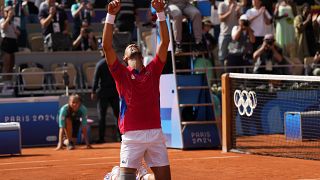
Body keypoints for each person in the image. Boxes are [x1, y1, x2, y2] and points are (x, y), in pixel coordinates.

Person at [103, 0, 171, 179]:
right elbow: (107, 47)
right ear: (125, 58)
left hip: (155, 133)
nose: (133, 45)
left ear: (141, 54)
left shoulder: (153, 70)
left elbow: (165, 43)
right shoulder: (121, 73)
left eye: (135, 46)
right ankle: (116, 175)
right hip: (132, 136)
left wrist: (160, 13)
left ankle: (143, 177)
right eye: (128, 47)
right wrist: (111, 15)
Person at [91, 49, 120, 143]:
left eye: (101, 51)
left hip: (103, 93)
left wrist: (93, 91)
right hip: (114, 92)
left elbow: (95, 79)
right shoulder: (115, 63)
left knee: (101, 116)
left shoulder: (100, 64)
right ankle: (121, 137)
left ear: (104, 52)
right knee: (118, 115)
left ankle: (101, 138)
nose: (100, 52)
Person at [0, 6, 19, 84]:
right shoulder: (2, 20)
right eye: (8, 11)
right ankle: (4, 82)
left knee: (12, 65)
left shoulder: (13, 23)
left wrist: (16, 31)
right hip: (6, 42)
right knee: (6, 64)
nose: (11, 13)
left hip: (13, 42)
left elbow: (17, 33)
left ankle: (9, 82)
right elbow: (3, 27)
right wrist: (8, 18)